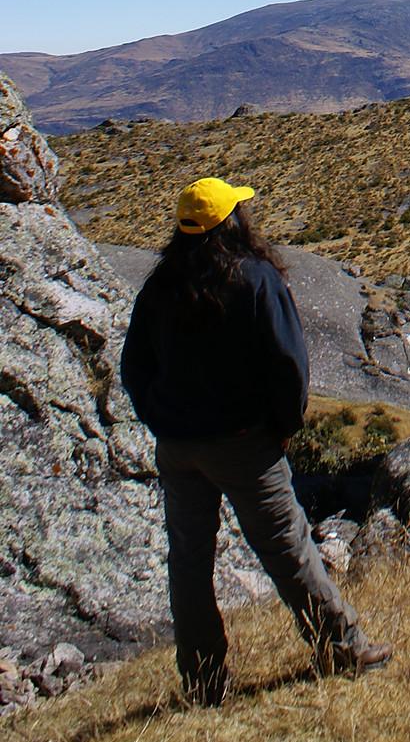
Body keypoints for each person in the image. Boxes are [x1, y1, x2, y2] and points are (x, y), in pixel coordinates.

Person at [120, 177, 391, 705]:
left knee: (189, 562)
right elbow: (288, 364)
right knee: (288, 548)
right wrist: (282, 427)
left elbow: (135, 367)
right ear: (231, 223)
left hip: (178, 446)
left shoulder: (162, 285)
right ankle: (340, 645)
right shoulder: (255, 278)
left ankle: (202, 681)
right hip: (244, 444)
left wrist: (162, 419)